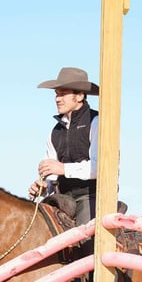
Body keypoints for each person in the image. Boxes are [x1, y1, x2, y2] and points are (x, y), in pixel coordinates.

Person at [28, 67, 99, 228]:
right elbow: (53, 175)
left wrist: (63, 168)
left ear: (79, 96)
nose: (57, 99)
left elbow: (100, 168)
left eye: (63, 94)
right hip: (63, 198)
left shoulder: (96, 122)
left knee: (85, 238)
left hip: (90, 196)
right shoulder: (54, 132)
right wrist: (44, 187)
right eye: (56, 94)